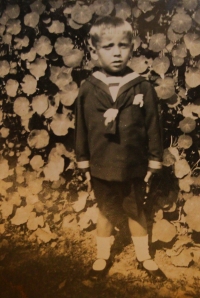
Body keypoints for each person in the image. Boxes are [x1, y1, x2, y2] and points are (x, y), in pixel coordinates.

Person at [75, 16, 166, 281]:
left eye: (123, 45)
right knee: (105, 211)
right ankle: (102, 257)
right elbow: (81, 126)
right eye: (108, 46)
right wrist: (83, 161)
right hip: (102, 164)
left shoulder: (141, 86)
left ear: (132, 47)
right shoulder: (88, 89)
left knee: (135, 211)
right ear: (94, 51)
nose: (116, 52)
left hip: (133, 165)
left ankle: (144, 257)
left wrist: (154, 161)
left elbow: (153, 127)